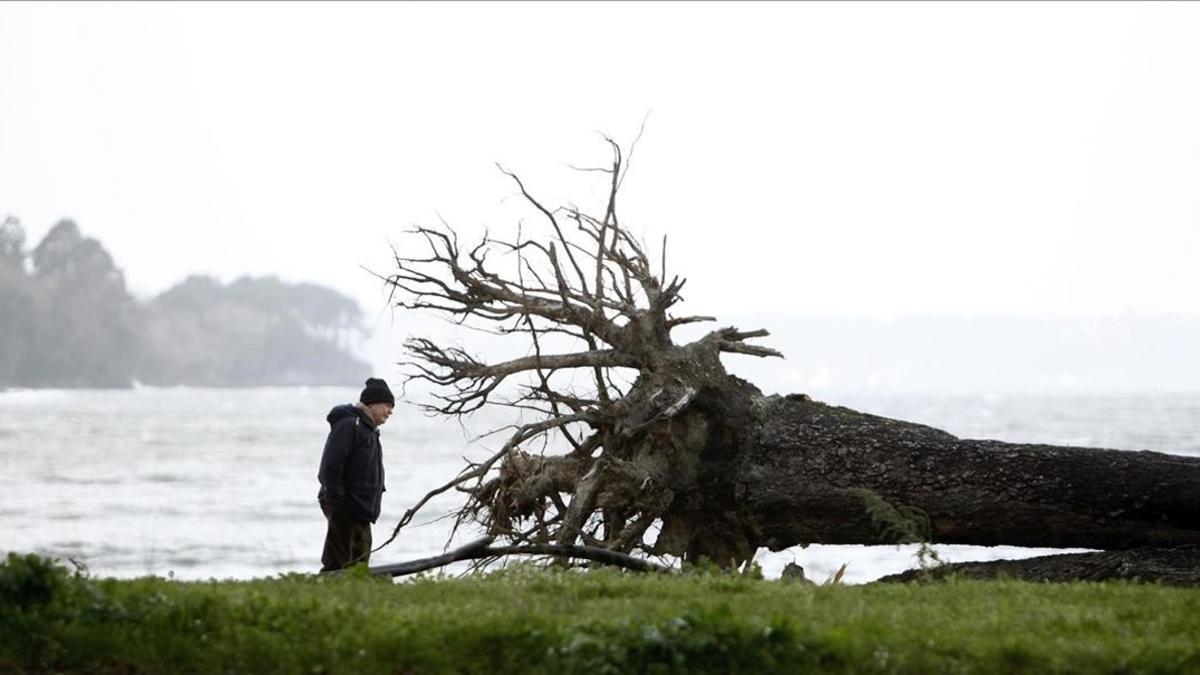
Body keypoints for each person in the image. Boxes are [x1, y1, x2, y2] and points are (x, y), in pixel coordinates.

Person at [317, 377, 394, 572]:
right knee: (337, 561)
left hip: (361, 508)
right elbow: (330, 466)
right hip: (345, 505)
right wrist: (337, 500)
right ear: (372, 402)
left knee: (359, 562)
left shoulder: (370, 431)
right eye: (387, 405)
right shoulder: (351, 425)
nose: (390, 411)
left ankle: (353, 596)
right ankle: (325, 595)